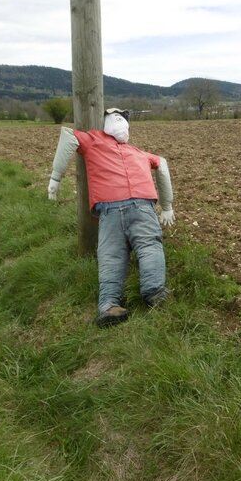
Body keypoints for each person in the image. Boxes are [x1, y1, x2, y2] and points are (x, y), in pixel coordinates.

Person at [48, 108, 175, 328]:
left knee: (111, 255)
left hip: (110, 210)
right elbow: (161, 164)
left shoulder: (93, 140)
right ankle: (154, 292)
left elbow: (69, 136)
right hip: (142, 207)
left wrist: (55, 178)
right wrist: (168, 206)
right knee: (149, 247)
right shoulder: (138, 152)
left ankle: (109, 305)